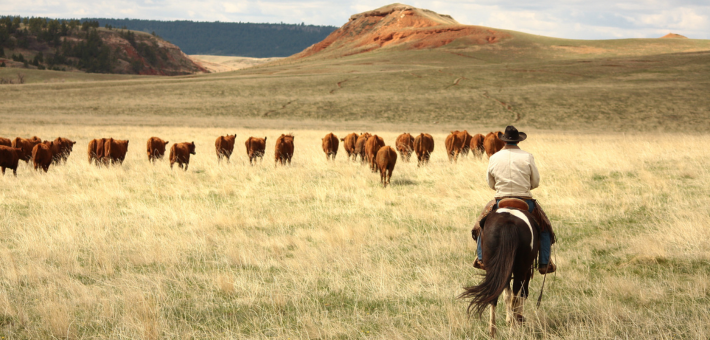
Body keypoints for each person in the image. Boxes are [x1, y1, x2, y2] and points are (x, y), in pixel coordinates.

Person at [472, 126, 556, 274]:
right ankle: (544, 262)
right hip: (525, 201)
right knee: (545, 228)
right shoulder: (528, 156)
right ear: (518, 140)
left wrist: (501, 189)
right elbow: (535, 182)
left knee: (481, 225)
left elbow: (490, 183)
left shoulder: (494, 157)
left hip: (500, 200)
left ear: (503, 141)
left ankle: (480, 258)